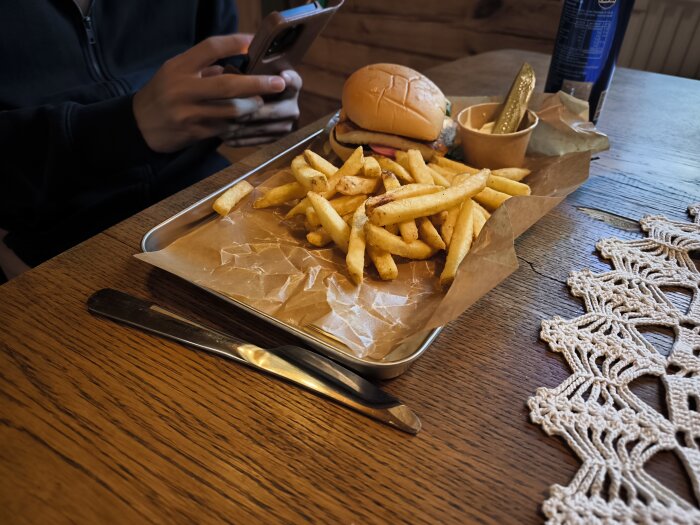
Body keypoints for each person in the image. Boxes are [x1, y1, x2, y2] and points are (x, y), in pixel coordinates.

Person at [0, 0, 302, 283]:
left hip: (201, 195)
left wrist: (258, 99)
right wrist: (124, 126)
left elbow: (226, 62)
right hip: (48, 237)